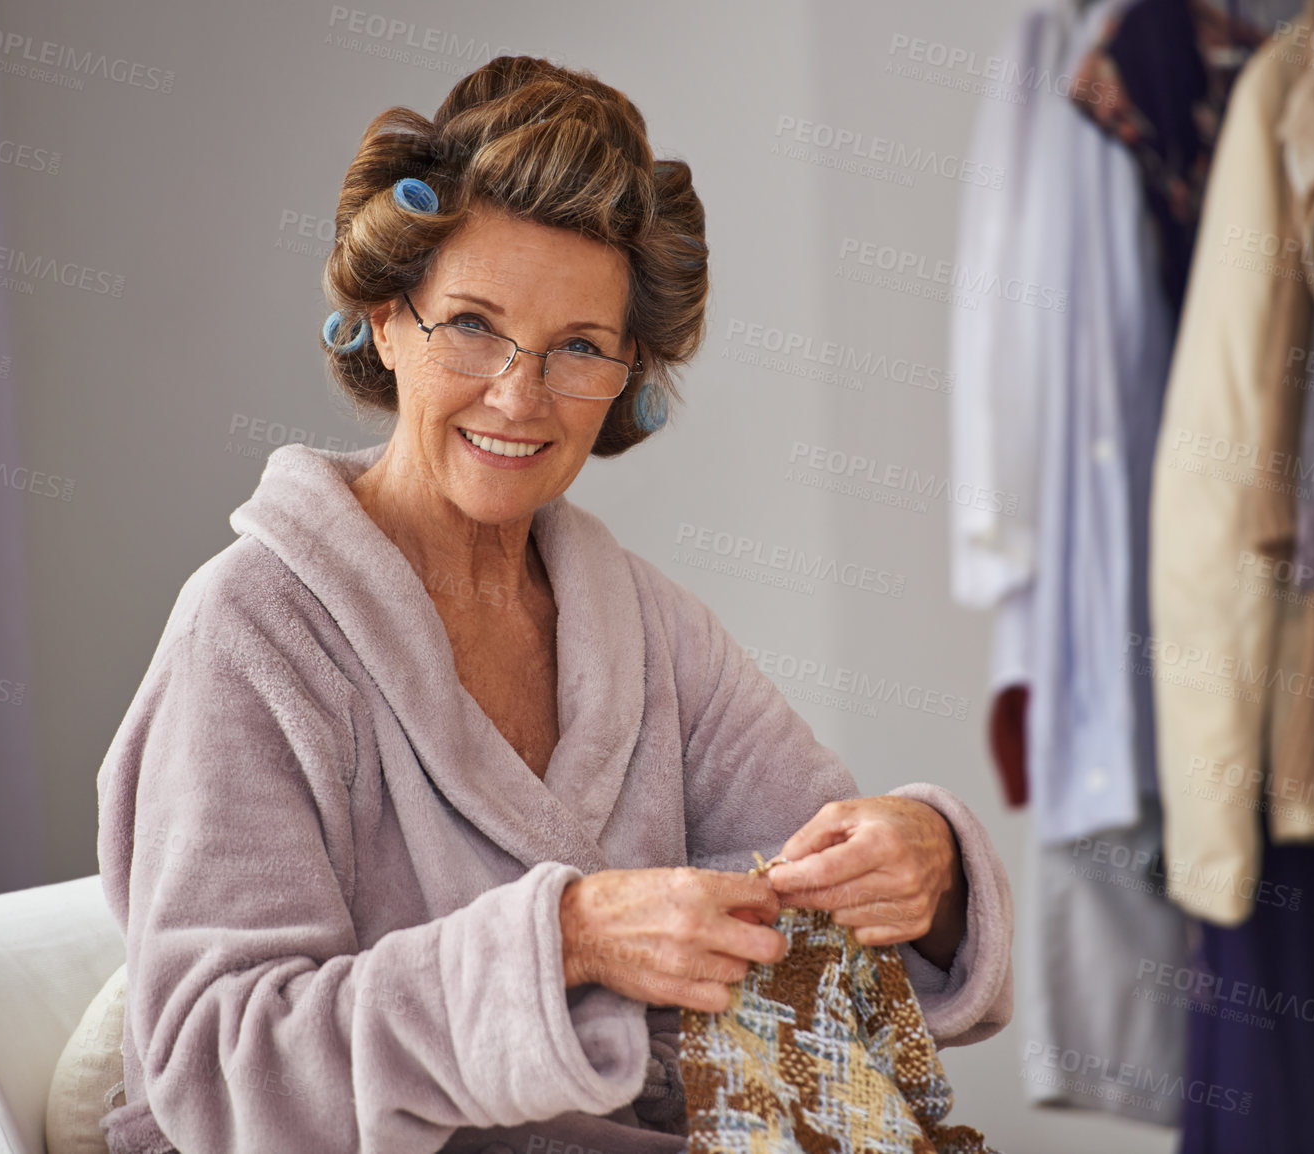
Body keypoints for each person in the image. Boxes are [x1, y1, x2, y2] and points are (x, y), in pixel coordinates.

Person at [95, 54, 1013, 1154]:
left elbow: (818, 881)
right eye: (472, 325)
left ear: (626, 375)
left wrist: (925, 863)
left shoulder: (639, 627)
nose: (518, 396)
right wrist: (565, 939)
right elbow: (223, 1062)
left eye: (579, 346)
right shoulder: (250, 633)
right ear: (387, 320)